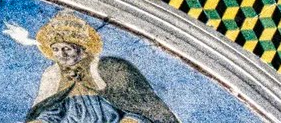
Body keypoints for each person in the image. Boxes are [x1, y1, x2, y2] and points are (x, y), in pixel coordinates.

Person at [18, 12, 179, 123]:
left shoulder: (108, 68)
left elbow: (139, 109)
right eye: (56, 49)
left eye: (67, 48)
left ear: (81, 48)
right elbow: (50, 113)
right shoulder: (53, 75)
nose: (62, 54)